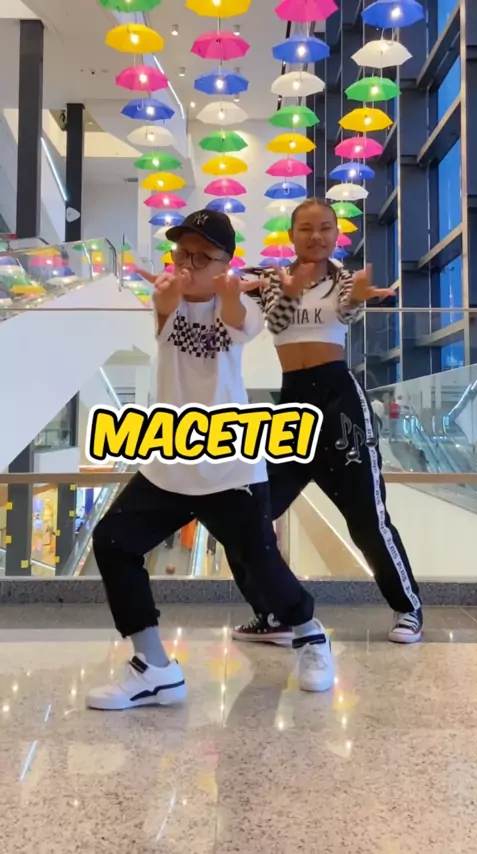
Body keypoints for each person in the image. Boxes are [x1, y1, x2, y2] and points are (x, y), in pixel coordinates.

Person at [87, 209, 334, 711]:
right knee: (112, 541)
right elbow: (163, 315)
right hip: (170, 459)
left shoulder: (244, 302)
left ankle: (310, 634)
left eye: (203, 257)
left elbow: (239, 324)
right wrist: (165, 300)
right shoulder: (166, 297)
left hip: (229, 462)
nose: (188, 264)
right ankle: (154, 667)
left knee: (259, 563)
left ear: (225, 263)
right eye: (183, 253)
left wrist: (230, 294)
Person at [228, 198, 423, 646]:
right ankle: (275, 613)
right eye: (306, 228)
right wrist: (285, 286)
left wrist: (357, 298)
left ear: (336, 234)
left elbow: (349, 310)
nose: (316, 236)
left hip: (339, 403)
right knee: (245, 515)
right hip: (291, 407)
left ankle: (408, 608)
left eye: (325, 228)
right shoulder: (273, 279)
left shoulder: (345, 281)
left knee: (367, 518)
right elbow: (277, 323)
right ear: (291, 235)